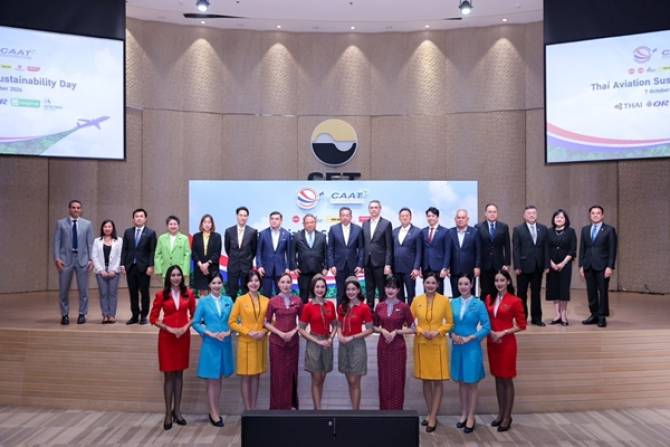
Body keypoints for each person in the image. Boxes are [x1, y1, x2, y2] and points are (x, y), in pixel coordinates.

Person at [149, 265, 196, 430]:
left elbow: (195, 316)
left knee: (179, 374)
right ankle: (168, 413)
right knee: (169, 375)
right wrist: (169, 329)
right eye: (173, 275)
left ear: (182, 277)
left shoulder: (188, 294)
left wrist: (185, 327)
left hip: (183, 336)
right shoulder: (161, 295)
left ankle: (178, 411)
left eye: (178, 275)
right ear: (168, 278)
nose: (176, 278)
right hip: (167, 338)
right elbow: (153, 318)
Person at [410, 272, 454, 433]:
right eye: (427, 282)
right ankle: (430, 413)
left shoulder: (444, 301)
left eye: (433, 283)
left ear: (437, 285)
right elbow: (409, 321)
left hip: (438, 343)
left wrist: (438, 331)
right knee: (426, 380)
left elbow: (450, 323)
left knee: (438, 381)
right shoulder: (417, 300)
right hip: (421, 343)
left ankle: (433, 416)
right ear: (423, 284)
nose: (430, 285)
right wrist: (421, 330)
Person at [486, 270, 526, 432]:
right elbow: (486, 320)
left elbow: (522, 325)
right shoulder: (489, 298)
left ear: (508, 282)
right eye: (496, 280)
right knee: (497, 378)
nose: (499, 283)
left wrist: (503, 333)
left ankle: (507, 416)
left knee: (507, 379)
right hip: (492, 342)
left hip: (506, 343)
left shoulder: (515, 301)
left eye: (502, 280)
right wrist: (491, 333)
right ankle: (500, 413)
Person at [449, 274, 490, 433]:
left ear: (471, 285)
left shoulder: (478, 304)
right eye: (460, 284)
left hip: (472, 346)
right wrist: (452, 334)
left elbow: (486, 327)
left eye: (466, 283)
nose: (463, 286)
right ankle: (464, 413)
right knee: (461, 381)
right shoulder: (453, 302)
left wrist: (472, 337)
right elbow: (450, 324)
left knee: (471, 382)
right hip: (457, 345)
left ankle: (471, 416)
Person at [192, 274, 234, 427]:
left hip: (225, 343)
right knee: (212, 380)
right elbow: (196, 323)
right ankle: (213, 413)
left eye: (219, 283)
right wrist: (208, 333)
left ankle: (215, 409)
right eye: (214, 283)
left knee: (219, 379)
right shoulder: (203, 302)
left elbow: (235, 320)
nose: (217, 286)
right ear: (209, 285)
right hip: (210, 344)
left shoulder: (228, 300)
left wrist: (229, 331)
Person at [372, 276, 414, 410]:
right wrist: (382, 330)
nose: (390, 290)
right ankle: (384, 413)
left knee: (397, 379)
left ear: (398, 290)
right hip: (383, 347)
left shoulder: (404, 307)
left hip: (398, 347)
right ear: (384, 288)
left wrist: (397, 331)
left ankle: (397, 412)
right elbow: (373, 326)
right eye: (388, 287)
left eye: (394, 287)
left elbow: (413, 329)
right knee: (384, 379)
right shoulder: (379, 306)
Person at [229, 271, 269, 410]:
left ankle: (254, 410)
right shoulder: (240, 300)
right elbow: (232, 322)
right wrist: (248, 332)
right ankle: (247, 410)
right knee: (246, 377)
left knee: (256, 376)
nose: (254, 283)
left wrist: (264, 331)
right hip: (245, 343)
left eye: (256, 280)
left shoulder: (266, 300)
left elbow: (271, 321)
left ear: (260, 282)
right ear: (246, 283)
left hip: (260, 342)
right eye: (251, 280)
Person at [264, 273, 303, 409]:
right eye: (283, 282)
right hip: (276, 342)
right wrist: (280, 333)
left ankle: (291, 405)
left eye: (288, 282)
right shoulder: (273, 301)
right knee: (277, 374)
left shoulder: (298, 300)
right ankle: (277, 407)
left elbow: (303, 322)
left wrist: (293, 332)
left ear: (292, 283)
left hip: (293, 342)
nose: (286, 285)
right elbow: (266, 323)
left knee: (291, 373)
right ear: (278, 284)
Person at [298, 274, 337, 409]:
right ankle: (318, 411)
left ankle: (317, 407)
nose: (320, 289)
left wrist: (331, 338)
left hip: (327, 343)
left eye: (322, 287)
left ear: (325, 288)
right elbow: (301, 329)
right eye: (317, 287)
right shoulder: (308, 307)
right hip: (314, 343)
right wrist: (317, 341)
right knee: (316, 378)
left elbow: (335, 325)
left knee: (322, 377)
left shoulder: (330, 305)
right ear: (313, 288)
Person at [53, 200, 94, 325]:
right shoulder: (60, 223)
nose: (76, 209)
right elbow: (56, 242)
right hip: (65, 260)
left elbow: (90, 243)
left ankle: (82, 314)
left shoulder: (87, 224)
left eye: (78, 207)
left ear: (81, 210)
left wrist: (91, 259)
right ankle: (64, 314)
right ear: (69, 209)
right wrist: (57, 258)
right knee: (63, 289)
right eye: (73, 207)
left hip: (82, 260)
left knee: (83, 290)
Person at [337, 277, 373, 410]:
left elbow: (370, 329)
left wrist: (352, 337)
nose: (351, 292)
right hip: (343, 345)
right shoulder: (342, 306)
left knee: (355, 381)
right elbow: (338, 324)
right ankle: (353, 409)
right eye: (348, 289)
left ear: (358, 290)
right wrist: (339, 335)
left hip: (357, 345)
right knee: (349, 380)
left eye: (353, 289)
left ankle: (356, 412)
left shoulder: (364, 308)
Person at [579, 205, 618, 328]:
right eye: (593, 213)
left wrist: (610, 266)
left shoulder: (609, 230)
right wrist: (581, 265)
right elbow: (582, 249)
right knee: (591, 292)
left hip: (603, 266)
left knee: (603, 292)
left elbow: (612, 249)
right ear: (589, 215)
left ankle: (602, 316)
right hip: (588, 266)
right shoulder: (585, 230)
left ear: (602, 215)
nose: (595, 215)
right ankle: (594, 315)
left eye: (598, 213)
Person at [512, 205, 549, 326]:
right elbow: (516, 249)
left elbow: (546, 248)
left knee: (536, 293)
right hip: (523, 267)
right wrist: (517, 266)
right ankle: (522, 318)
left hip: (538, 266)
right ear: (524, 216)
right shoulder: (518, 229)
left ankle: (536, 318)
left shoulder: (543, 229)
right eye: (529, 213)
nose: (531, 215)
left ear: (537, 215)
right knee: (521, 294)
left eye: (534, 213)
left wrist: (546, 265)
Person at [121, 208, 157, 325]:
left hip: (144, 268)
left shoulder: (151, 233)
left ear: (145, 219)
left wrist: (151, 266)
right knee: (133, 293)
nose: (139, 218)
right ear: (133, 219)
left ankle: (144, 316)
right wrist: (122, 264)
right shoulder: (128, 232)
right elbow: (124, 249)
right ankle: (135, 316)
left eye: (141, 216)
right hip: (130, 267)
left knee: (144, 293)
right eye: (137, 216)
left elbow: (152, 251)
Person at [327, 207, 364, 305]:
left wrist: (360, 265)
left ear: (351, 216)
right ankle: (340, 313)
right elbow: (330, 248)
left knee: (353, 292)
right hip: (338, 266)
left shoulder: (358, 229)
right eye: (343, 215)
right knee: (340, 292)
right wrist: (331, 265)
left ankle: (353, 312)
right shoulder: (333, 229)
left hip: (353, 266)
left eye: (347, 215)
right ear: (340, 216)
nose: (345, 217)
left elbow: (361, 248)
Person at [546, 209, 577, 326]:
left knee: (563, 290)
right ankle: (557, 315)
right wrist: (551, 263)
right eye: (557, 217)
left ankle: (563, 315)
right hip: (552, 265)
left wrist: (563, 263)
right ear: (553, 219)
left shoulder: (571, 232)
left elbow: (573, 249)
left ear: (565, 219)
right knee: (554, 289)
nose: (559, 219)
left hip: (566, 265)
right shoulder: (548, 232)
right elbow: (545, 249)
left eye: (562, 217)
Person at [476, 203, 511, 303]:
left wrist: (507, 263)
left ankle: (496, 310)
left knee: (498, 290)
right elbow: (477, 248)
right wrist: (477, 265)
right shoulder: (478, 227)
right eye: (490, 212)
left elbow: (507, 246)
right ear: (485, 213)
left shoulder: (504, 227)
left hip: (499, 264)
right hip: (484, 265)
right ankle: (484, 311)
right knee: (485, 290)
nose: (492, 214)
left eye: (494, 212)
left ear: (497, 213)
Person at [361, 200, 393, 308]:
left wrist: (388, 264)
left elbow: (389, 246)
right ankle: (369, 313)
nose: (373, 209)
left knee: (382, 290)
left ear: (380, 209)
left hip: (380, 264)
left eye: (376, 207)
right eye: (371, 207)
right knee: (369, 290)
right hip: (367, 263)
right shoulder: (365, 224)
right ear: (369, 210)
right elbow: (363, 245)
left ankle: (382, 312)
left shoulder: (386, 224)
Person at [291, 214, 328, 303]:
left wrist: (326, 268)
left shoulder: (322, 236)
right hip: (303, 272)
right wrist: (294, 267)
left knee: (318, 296)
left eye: (312, 222)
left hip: (318, 271)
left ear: (315, 223)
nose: (309, 224)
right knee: (303, 296)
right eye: (307, 223)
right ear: (303, 224)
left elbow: (327, 254)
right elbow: (292, 253)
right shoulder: (297, 236)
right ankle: (303, 312)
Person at [91, 219, 123, 324]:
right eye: (105, 226)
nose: (107, 228)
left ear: (113, 228)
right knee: (103, 294)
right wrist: (101, 270)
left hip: (114, 271)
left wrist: (114, 270)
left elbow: (120, 256)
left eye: (109, 226)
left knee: (112, 294)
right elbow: (94, 256)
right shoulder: (97, 241)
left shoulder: (119, 240)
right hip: (101, 271)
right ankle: (105, 315)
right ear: (102, 228)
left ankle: (112, 315)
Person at [224, 206, 258, 300]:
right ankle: (232, 309)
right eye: (241, 215)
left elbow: (254, 250)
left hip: (246, 267)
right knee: (231, 292)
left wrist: (247, 259)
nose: (243, 217)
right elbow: (227, 248)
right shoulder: (229, 231)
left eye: (245, 216)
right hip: (233, 265)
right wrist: (235, 257)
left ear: (247, 217)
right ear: (237, 216)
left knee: (246, 293)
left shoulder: (252, 232)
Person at [257, 211, 291, 297]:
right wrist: (259, 266)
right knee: (265, 296)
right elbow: (258, 252)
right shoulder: (262, 234)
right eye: (272, 219)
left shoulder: (286, 234)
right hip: (265, 270)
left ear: (281, 221)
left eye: (276, 219)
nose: (274, 221)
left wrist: (288, 267)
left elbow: (289, 254)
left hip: (281, 270)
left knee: (281, 296)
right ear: (269, 220)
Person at [447, 209, 480, 297]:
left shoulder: (475, 232)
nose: (460, 220)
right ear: (455, 219)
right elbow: (448, 251)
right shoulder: (450, 232)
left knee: (470, 295)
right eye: (458, 218)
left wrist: (477, 266)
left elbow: (478, 251)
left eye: (463, 217)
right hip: (454, 270)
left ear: (467, 219)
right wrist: (447, 266)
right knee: (455, 295)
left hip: (470, 270)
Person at [392, 208, 422, 304]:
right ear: (399, 218)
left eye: (406, 216)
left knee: (411, 293)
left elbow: (419, 252)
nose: (404, 218)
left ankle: (411, 312)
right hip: (396, 268)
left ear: (410, 217)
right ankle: (400, 311)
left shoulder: (417, 231)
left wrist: (416, 268)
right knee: (398, 293)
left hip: (410, 269)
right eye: (402, 216)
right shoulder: (394, 231)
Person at [421, 207, 451, 295]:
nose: (430, 218)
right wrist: (420, 267)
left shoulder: (445, 231)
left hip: (439, 268)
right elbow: (421, 250)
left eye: (433, 216)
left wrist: (445, 267)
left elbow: (448, 251)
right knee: (426, 293)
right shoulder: (423, 231)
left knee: (439, 293)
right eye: (429, 216)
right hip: (426, 267)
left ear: (437, 217)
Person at [191, 214, 222, 298]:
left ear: (212, 224)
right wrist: (201, 265)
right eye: (205, 222)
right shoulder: (196, 236)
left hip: (212, 268)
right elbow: (194, 253)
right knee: (203, 294)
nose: (207, 224)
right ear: (201, 224)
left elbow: (217, 253)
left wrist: (207, 264)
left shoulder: (217, 236)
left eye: (209, 222)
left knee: (213, 293)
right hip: (199, 268)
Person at [154, 216, 191, 281]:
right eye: (170, 224)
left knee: (179, 287)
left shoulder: (184, 238)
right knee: (167, 287)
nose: (173, 226)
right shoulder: (161, 238)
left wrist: (184, 271)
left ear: (178, 226)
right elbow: (157, 255)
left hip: (180, 271)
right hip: (165, 271)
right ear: (167, 226)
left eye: (175, 224)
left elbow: (187, 255)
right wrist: (159, 270)